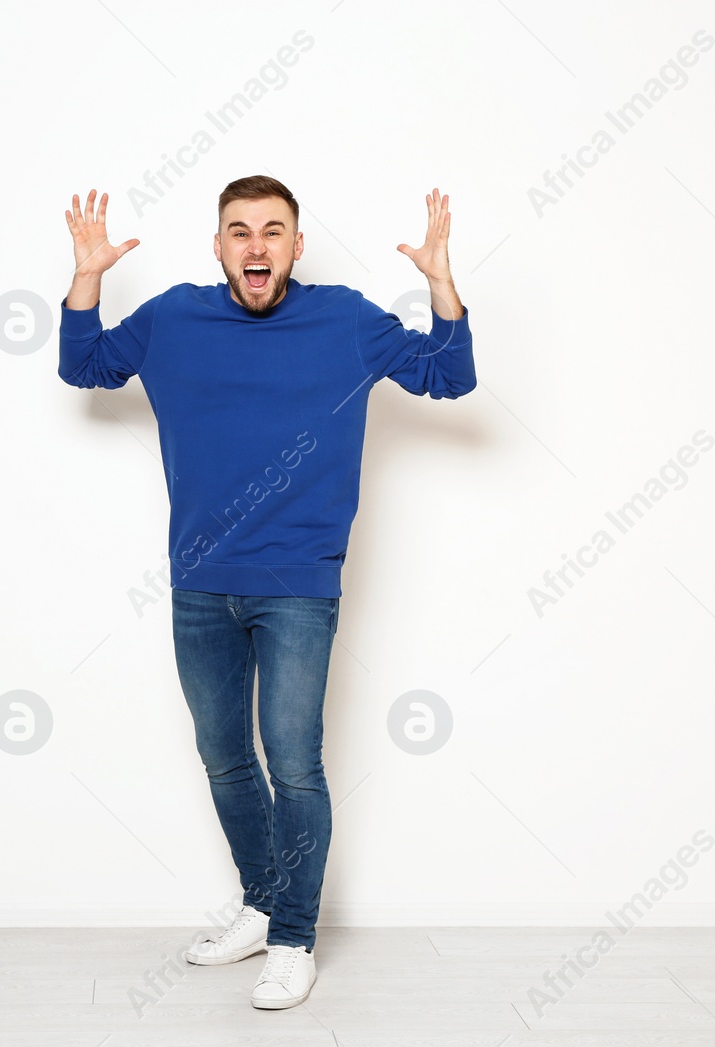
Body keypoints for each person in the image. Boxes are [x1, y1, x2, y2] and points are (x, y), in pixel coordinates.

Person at [57, 175, 475, 1009]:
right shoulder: (174, 317)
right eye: (240, 231)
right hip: (199, 582)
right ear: (218, 247)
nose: (256, 246)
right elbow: (85, 365)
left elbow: (448, 379)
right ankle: (261, 902)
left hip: (297, 585)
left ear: (295, 247)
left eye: (273, 231)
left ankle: (294, 937)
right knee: (223, 757)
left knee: (294, 763)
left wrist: (440, 286)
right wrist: (88, 279)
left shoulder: (346, 320)